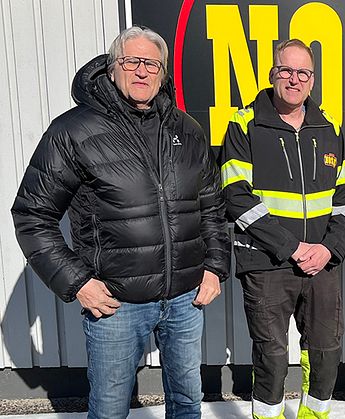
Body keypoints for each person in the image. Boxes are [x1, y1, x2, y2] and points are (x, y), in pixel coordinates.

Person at [11, 26, 230, 418]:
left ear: (163, 73)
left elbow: (211, 205)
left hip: (184, 299)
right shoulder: (73, 131)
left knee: (186, 405)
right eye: (132, 61)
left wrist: (214, 267)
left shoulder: (186, 129)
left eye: (151, 63)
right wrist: (78, 283)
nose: (142, 71)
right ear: (112, 68)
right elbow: (32, 215)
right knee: (110, 410)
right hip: (116, 305)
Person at [219, 39, 345, 419]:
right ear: (272, 74)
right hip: (267, 263)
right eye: (286, 70)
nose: (294, 79)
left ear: (312, 81)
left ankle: (315, 416)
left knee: (326, 352)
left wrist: (329, 249)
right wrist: (292, 247)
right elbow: (236, 196)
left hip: (322, 263)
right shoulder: (244, 123)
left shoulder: (328, 126)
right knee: (272, 357)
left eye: (303, 73)